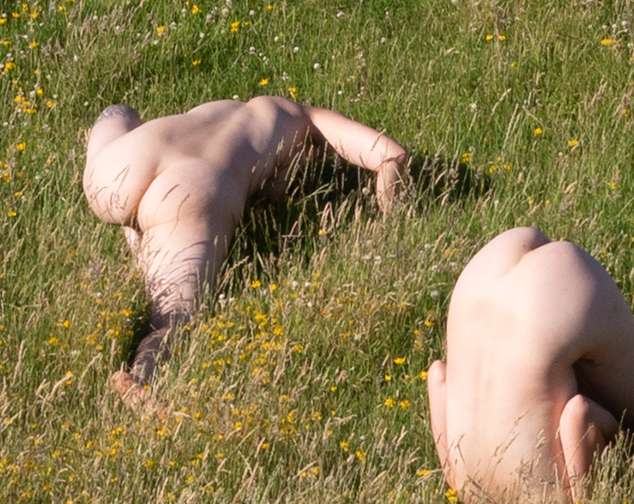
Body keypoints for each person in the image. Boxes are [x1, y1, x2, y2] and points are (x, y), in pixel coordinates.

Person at [425, 221, 634, 504]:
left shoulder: (525, 501)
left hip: (492, 276)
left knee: (629, 396)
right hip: (504, 274)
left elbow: (438, 378)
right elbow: (438, 378)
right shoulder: (495, 492)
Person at [82, 89, 412, 381]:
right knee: (175, 316)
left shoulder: (238, 109)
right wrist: (392, 222)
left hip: (125, 159)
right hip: (193, 186)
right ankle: (139, 378)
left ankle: (135, 225)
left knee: (118, 114)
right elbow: (390, 155)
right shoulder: (305, 117)